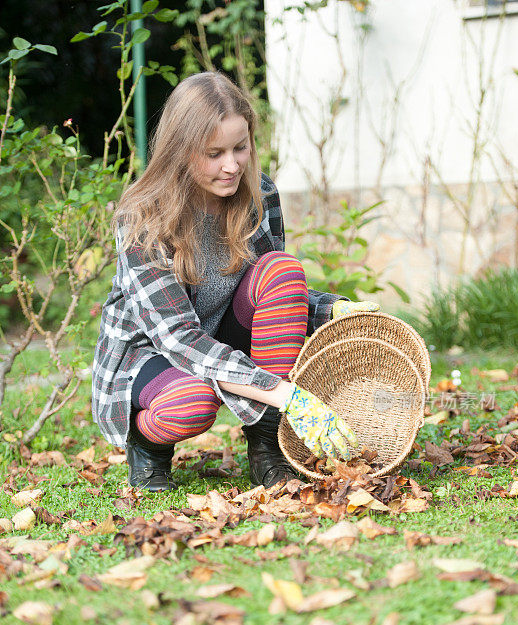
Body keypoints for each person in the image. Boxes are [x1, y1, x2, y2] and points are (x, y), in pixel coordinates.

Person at [92, 71, 378, 492]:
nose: (231, 166)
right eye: (214, 153)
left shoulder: (259, 197)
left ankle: (268, 444)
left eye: (240, 148)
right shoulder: (143, 218)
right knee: (192, 403)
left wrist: (332, 309)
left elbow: (268, 286)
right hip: (153, 350)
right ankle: (146, 447)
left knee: (283, 267)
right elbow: (179, 339)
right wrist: (287, 395)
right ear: (180, 151)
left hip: (223, 330)